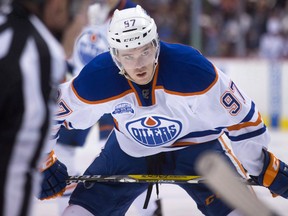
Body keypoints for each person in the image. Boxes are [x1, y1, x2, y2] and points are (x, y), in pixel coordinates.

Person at [39, 5, 288, 216]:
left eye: (145, 51)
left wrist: (262, 165)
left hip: (198, 149)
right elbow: (47, 113)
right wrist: (42, 164)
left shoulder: (192, 69)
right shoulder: (97, 77)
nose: (138, 64)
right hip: (130, 152)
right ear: (114, 56)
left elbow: (242, 116)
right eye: (128, 55)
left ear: (156, 45)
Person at [0, 0, 86, 216]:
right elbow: (15, 164)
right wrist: (41, 164)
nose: (82, 24)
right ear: (57, 6)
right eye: (77, 13)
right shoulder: (37, 53)